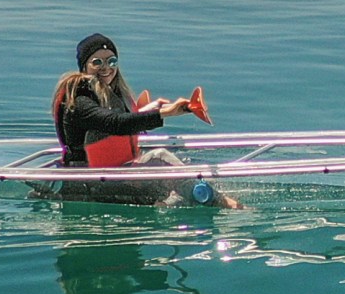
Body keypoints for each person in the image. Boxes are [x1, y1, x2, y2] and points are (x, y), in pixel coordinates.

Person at [51, 32, 240, 208]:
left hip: (113, 174)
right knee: (162, 162)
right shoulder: (78, 101)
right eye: (97, 62)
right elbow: (114, 123)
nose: (106, 68)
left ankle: (199, 197)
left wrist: (154, 110)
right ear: (84, 66)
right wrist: (164, 114)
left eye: (112, 61)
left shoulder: (109, 94)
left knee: (161, 160)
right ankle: (220, 203)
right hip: (89, 184)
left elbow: (122, 120)